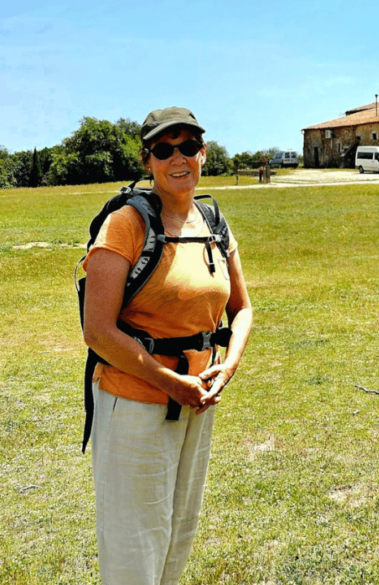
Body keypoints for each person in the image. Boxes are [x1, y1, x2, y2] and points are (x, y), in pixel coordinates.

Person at [82, 106, 253, 584]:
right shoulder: (125, 225)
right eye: (164, 149)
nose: (178, 158)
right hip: (134, 401)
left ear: (204, 153)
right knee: (135, 541)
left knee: (179, 531)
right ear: (147, 160)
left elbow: (242, 310)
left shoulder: (214, 222)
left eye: (188, 146)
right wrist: (168, 383)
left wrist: (228, 366)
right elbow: (97, 330)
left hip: (198, 398)